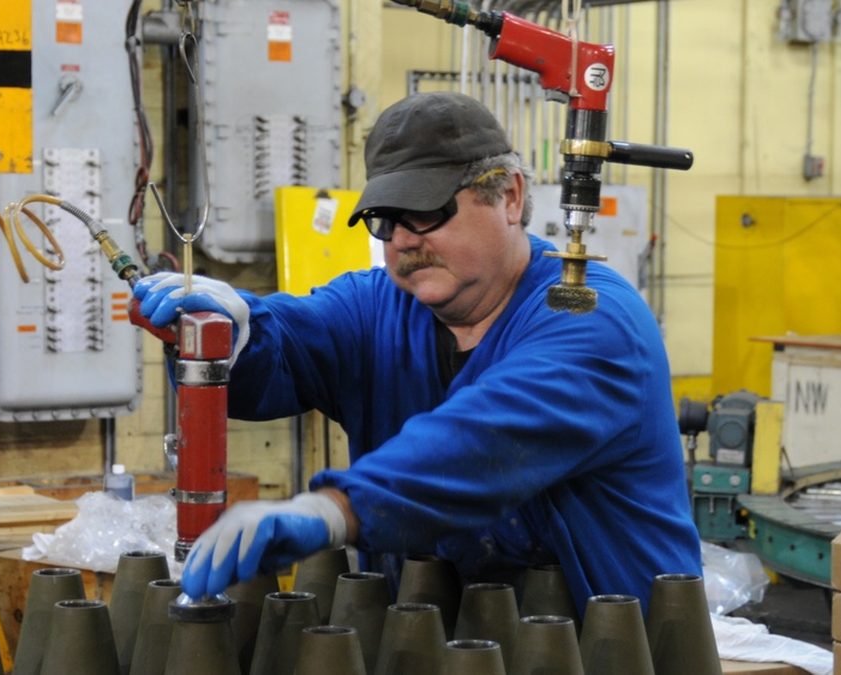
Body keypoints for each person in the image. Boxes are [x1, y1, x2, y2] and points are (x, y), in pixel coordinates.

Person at [133, 91, 701, 614]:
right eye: (386, 218)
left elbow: (485, 442)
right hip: (433, 646)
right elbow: (287, 347)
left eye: (426, 212)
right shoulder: (374, 309)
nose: (403, 239)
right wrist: (234, 332)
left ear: (509, 196)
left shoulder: (590, 317)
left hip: (608, 652)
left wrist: (335, 509)